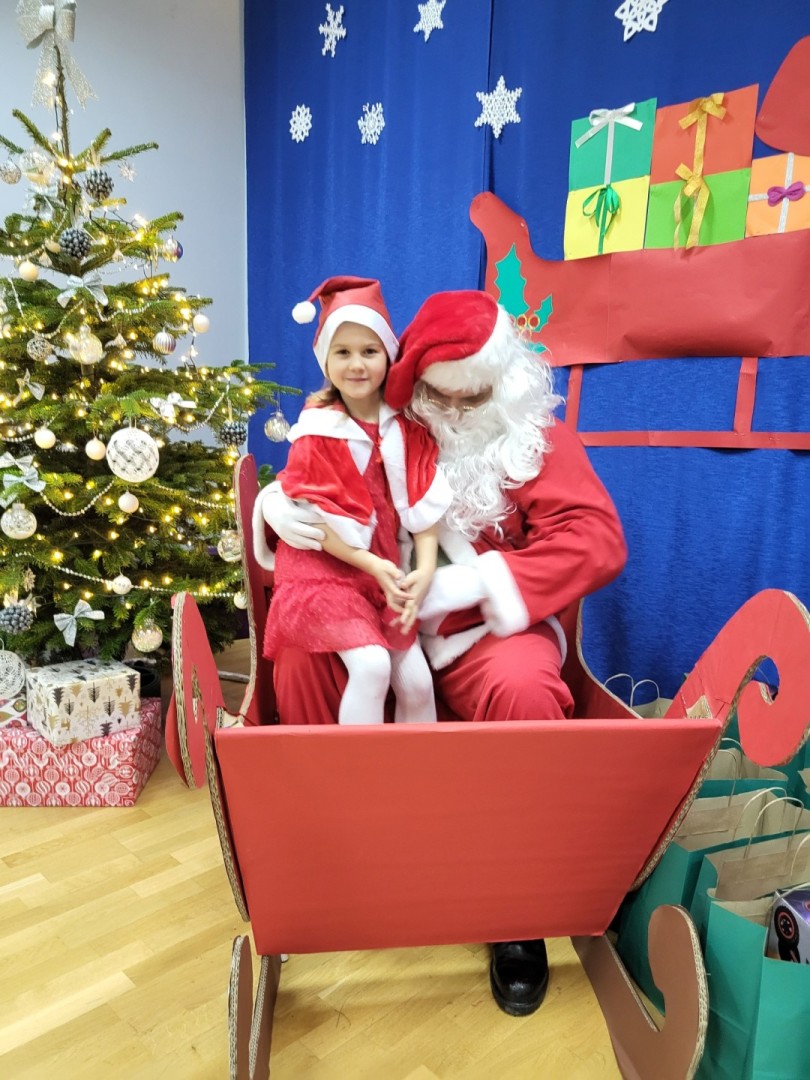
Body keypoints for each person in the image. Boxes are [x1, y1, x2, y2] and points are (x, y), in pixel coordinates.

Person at [260, 288, 627, 1015]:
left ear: (505, 382)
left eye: (473, 395)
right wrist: (277, 503)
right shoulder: (385, 421)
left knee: (525, 688)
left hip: (484, 633)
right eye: (440, 396)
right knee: (301, 656)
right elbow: (324, 462)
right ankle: (326, 857)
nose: (455, 412)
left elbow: (596, 539)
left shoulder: (534, 437)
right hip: (374, 612)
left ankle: (517, 909)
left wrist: (472, 582)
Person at [254, 276, 452, 726]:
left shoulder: (407, 429)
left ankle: (417, 764)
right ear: (325, 360)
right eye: (342, 352)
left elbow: (422, 505)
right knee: (372, 665)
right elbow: (314, 520)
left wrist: (422, 570)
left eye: (369, 351)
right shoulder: (317, 429)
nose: (357, 364)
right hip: (323, 571)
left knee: (418, 683)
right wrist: (372, 565)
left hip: (379, 573)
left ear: (388, 355)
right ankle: (355, 765)